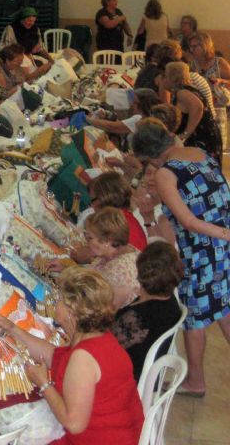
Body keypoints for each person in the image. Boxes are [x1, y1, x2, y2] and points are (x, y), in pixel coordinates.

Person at [0, 266, 144, 444]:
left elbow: (74, 423)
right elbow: (53, 355)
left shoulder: (83, 357)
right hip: (123, 434)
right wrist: (12, 329)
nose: (55, 303)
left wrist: (44, 384)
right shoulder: (98, 337)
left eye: (60, 299)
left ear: (71, 313)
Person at [131, 121, 230, 397]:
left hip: (201, 251)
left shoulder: (166, 172)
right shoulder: (200, 153)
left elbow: (188, 221)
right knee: (224, 306)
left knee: (194, 320)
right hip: (221, 248)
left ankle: (195, 381)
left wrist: (226, 234)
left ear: (151, 157)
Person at [112, 241, 183, 382]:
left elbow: (108, 345)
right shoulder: (169, 300)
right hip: (141, 372)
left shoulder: (140, 317)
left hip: (124, 378)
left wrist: (113, 307)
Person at [159, 61, 222, 163]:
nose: (162, 78)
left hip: (201, 139)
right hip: (202, 137)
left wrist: (186, 133)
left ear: (173, 77)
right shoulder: (183, 90)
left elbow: (198, 107)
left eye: (165, 75)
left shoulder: (182, 92)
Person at [84, 207, 142, 308]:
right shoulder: (121, 250)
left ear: (107, 241)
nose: (87, 241)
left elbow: (90, 299)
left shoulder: (116, 269)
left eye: (90, 238)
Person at [0, 7, 53, 81]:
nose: (31, 23)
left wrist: (51, 60)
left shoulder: (35, 29)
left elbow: (40, 48)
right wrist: (23, 53)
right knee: (32, 74)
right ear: (22, 19)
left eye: (33, 21)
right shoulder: (12, 29)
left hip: (29, 56)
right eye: (29, 20)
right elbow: (7, 49)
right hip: (16, 57)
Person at [86, 88, 161, 135]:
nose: (131, 105)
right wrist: (106, 116)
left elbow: (112, 127)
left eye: (135, 102)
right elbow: (122, 125)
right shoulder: (146, 118)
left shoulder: (140, 120)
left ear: (143, 105)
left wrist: (87, 118)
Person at [188, 32, 230, 108]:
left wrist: (221, 81)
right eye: (190, 47)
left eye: (194, 47)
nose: (191, 50)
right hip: (201, 106)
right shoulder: (191, 64)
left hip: (220, 106)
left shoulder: (219, 63)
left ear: (205, 46)